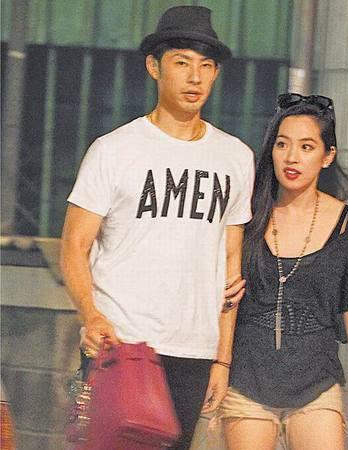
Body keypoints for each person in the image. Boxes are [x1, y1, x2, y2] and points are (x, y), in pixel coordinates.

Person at [60, 6, 254, 450]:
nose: (195, 77)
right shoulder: (114, 150)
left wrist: (222, 359)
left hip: (195, 348)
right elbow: (73, 246)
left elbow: (231, 264)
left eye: (206, 65)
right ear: (154, 66)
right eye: (182, 62)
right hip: (123, 343)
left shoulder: (236, 157)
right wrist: (91, 314)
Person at [220, 93, 348, 450]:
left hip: (317, 384)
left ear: (328, 156)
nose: (292, 157)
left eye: (306, 147)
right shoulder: (245, 214)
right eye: (282, 144)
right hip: (246, 381)